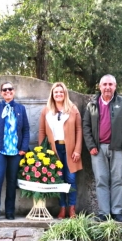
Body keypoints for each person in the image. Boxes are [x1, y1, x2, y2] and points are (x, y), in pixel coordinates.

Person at [83, 75, 122, 222]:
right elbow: (85, 126)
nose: (107, 87)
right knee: (101, 180)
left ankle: (117, 211)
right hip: (98, 149)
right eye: (104, 84)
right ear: (99, 87)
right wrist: (91, 145)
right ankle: (104, 212)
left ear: (115, 86)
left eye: (110, 84)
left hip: (119, 148)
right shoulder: (92, 104)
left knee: (118, 180)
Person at [39, 82, 83, 219]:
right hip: (54, 150)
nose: (58, 94)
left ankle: (72, 209)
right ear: (52, 94)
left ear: (65, 94)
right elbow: (41, 132)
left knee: (71, 179)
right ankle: (62, 209)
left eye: (61, 92)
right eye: (56, 92)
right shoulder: (46, 110)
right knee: (59, 180)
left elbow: (79, 130)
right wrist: (42, 152)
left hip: (70, 149)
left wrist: (77, 150)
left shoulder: (72, 109)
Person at [0, 82, 30, 221]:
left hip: (16, 152)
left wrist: (23, 148)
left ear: (14, 91)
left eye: (10, 89)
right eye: (4, 89)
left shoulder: (20, 108)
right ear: (1, 93)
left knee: (12, 181)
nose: (7, 91)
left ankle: (9, 211)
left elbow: (25, 130)